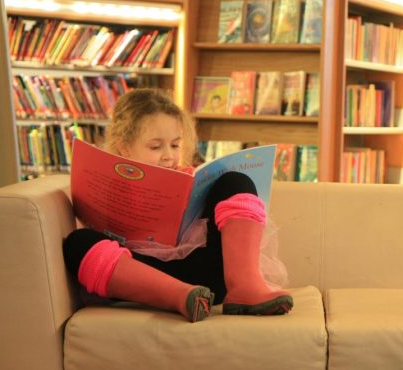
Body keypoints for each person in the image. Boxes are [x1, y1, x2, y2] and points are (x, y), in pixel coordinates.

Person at [63, 89, 293, 322]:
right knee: (77, 242)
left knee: (236, 181)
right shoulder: (108, 181)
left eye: (174, 145)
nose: (168, 156)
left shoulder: (186, 178)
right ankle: (182, 298)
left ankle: (245, 287)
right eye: (155, 147)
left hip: (207, 275)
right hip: (143, 276)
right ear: (123, 147)